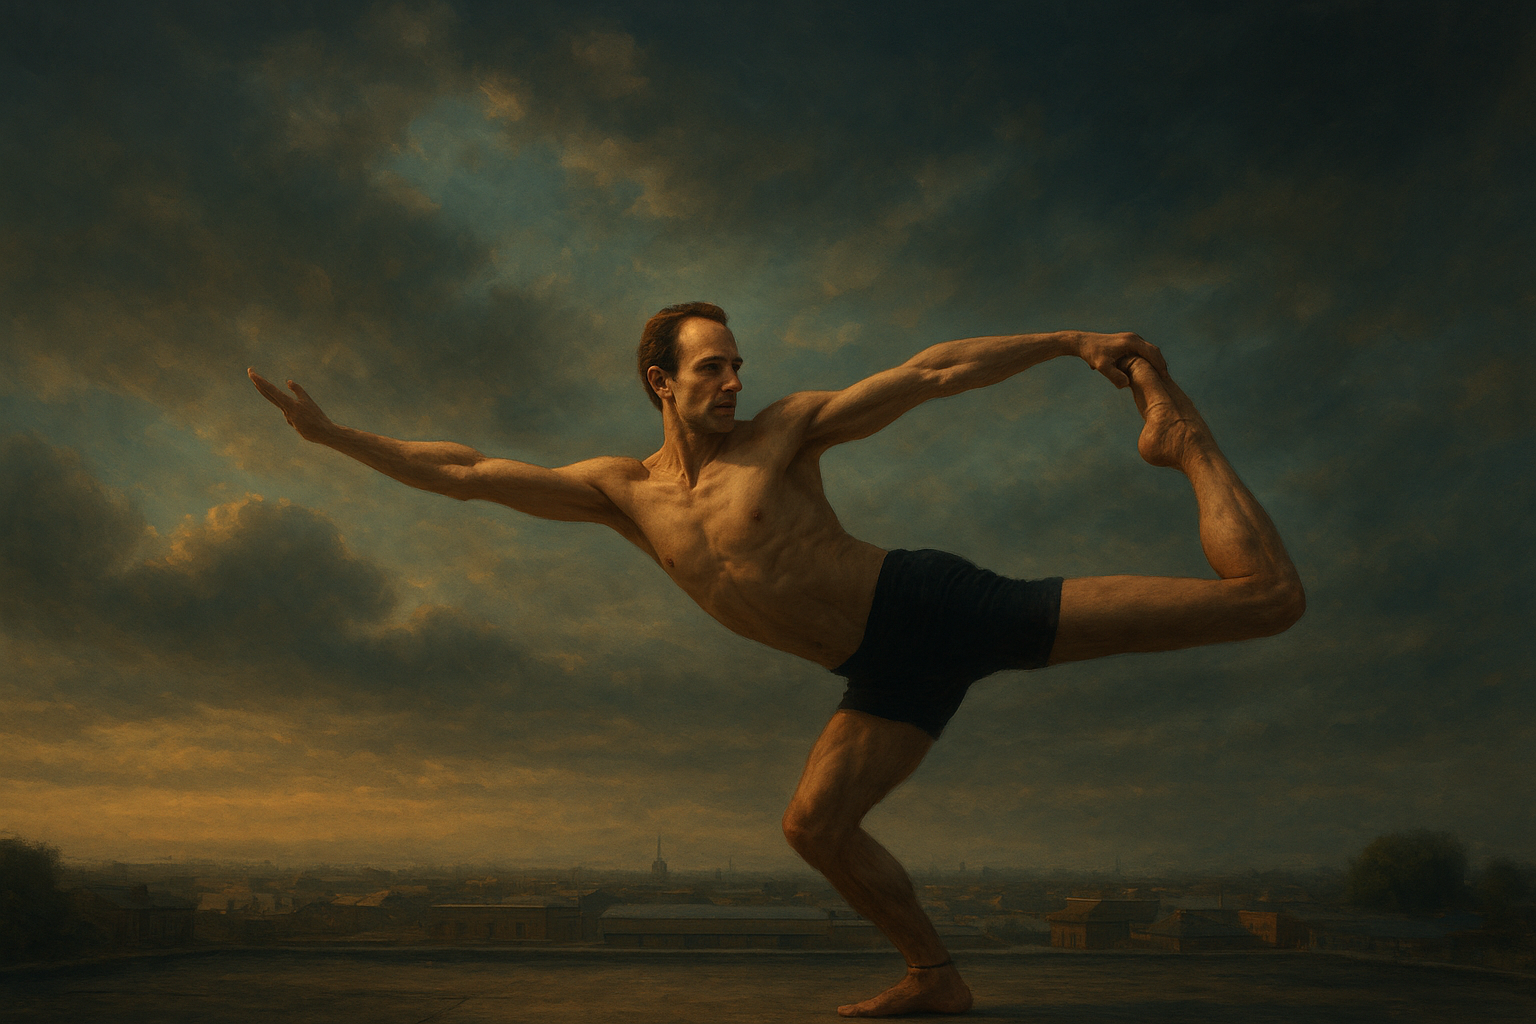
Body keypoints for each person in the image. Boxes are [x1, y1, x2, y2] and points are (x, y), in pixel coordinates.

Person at [249, 301, 1303, 1017]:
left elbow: (930, 373)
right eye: (712, 366)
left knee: (1263, 603)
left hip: (939, 608)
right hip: (880, 675)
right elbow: (469, 471)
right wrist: (336, 437)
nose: (734, 379)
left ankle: (1184, 442)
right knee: (814, 826)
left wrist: (1069, 340)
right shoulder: (622, 493)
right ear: (662, 382)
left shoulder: (785, 433)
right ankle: (937, 978)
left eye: (736, 363)